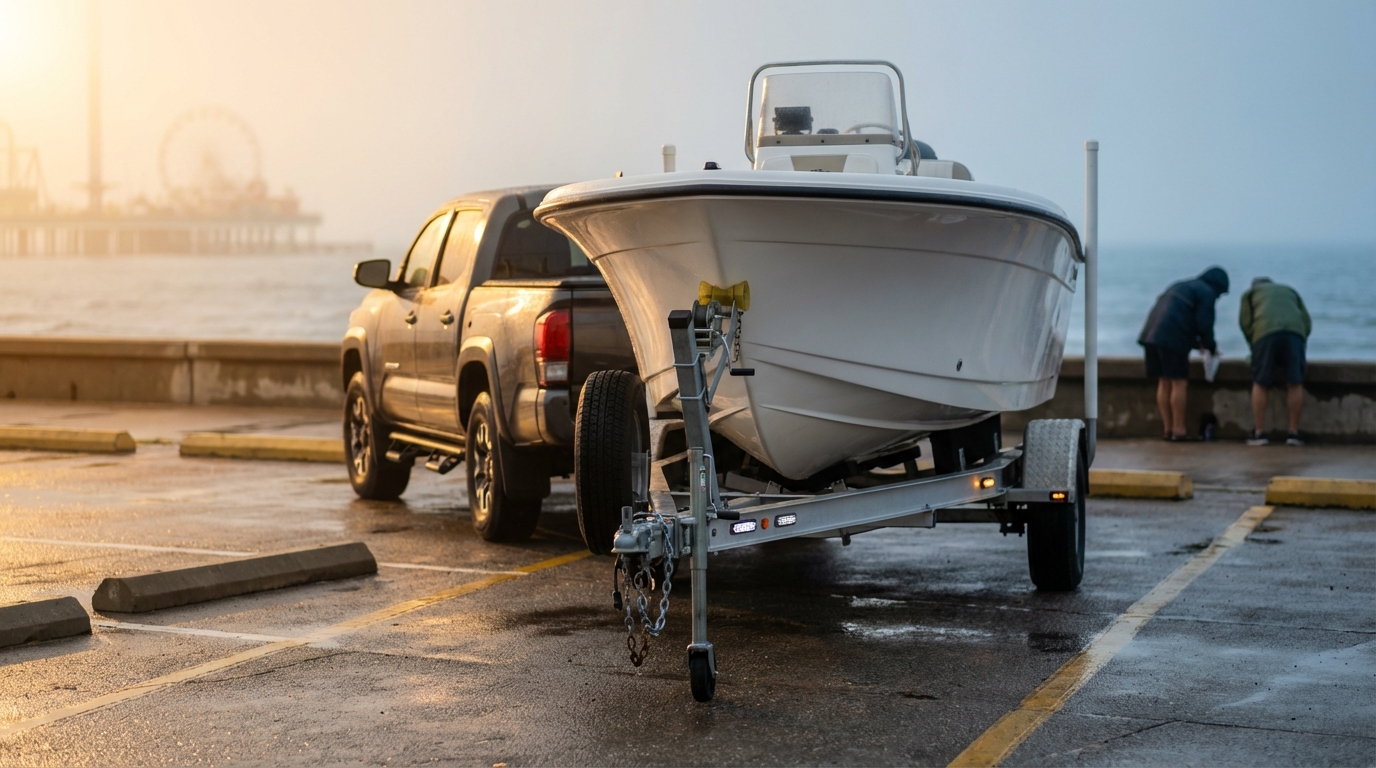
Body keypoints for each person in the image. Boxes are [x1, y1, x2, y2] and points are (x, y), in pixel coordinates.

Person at [1137, 267, 1230, 440]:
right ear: (1218, 286)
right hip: (1172, 339)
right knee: (1179, 383)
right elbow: (1204, 324)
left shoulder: (1182, 285)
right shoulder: (1207, 292)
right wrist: (1210, 346)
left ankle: (1168, 430)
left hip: (1151, 334)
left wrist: (1197, 344)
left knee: (1164, 382)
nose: (1218, 297)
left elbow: (1176, 316)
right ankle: (1179, 430)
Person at [1239, 277, 1311, 446]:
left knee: (1260, 383)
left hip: (1265, 333)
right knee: (1295, 382)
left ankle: (1260, 433)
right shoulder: (1289, 290)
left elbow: (1245, 322)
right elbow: (1306, 322)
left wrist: (1255, 347)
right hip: (1295, 334)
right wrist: (1300, 342)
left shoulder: (1250, 293)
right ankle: (1293, 434)